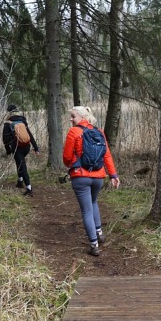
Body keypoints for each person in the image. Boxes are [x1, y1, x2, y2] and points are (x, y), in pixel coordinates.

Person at [62, 105, 120, 256]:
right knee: (93, 203)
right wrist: (113, 175)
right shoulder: (99, 132)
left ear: (82, 117)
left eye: (73, 116)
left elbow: (67, 158)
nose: (71, 119)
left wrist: (72, 165)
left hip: (80, 177)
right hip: (98, 177)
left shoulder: (74, 132)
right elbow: (106, 155)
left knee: (86, 210)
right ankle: (99, 233)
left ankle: (94, 245)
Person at [2, 104, 39, 196]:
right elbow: (29, 134)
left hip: (17, 147)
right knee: (19, 162)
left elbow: (5, 139)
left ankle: (29, 188)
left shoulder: (7, 123)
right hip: (26, 147)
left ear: (8, 112)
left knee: (22, 166)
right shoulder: (23, 120)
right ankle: (20, 181)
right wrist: (36, 148)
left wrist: (8, 150)